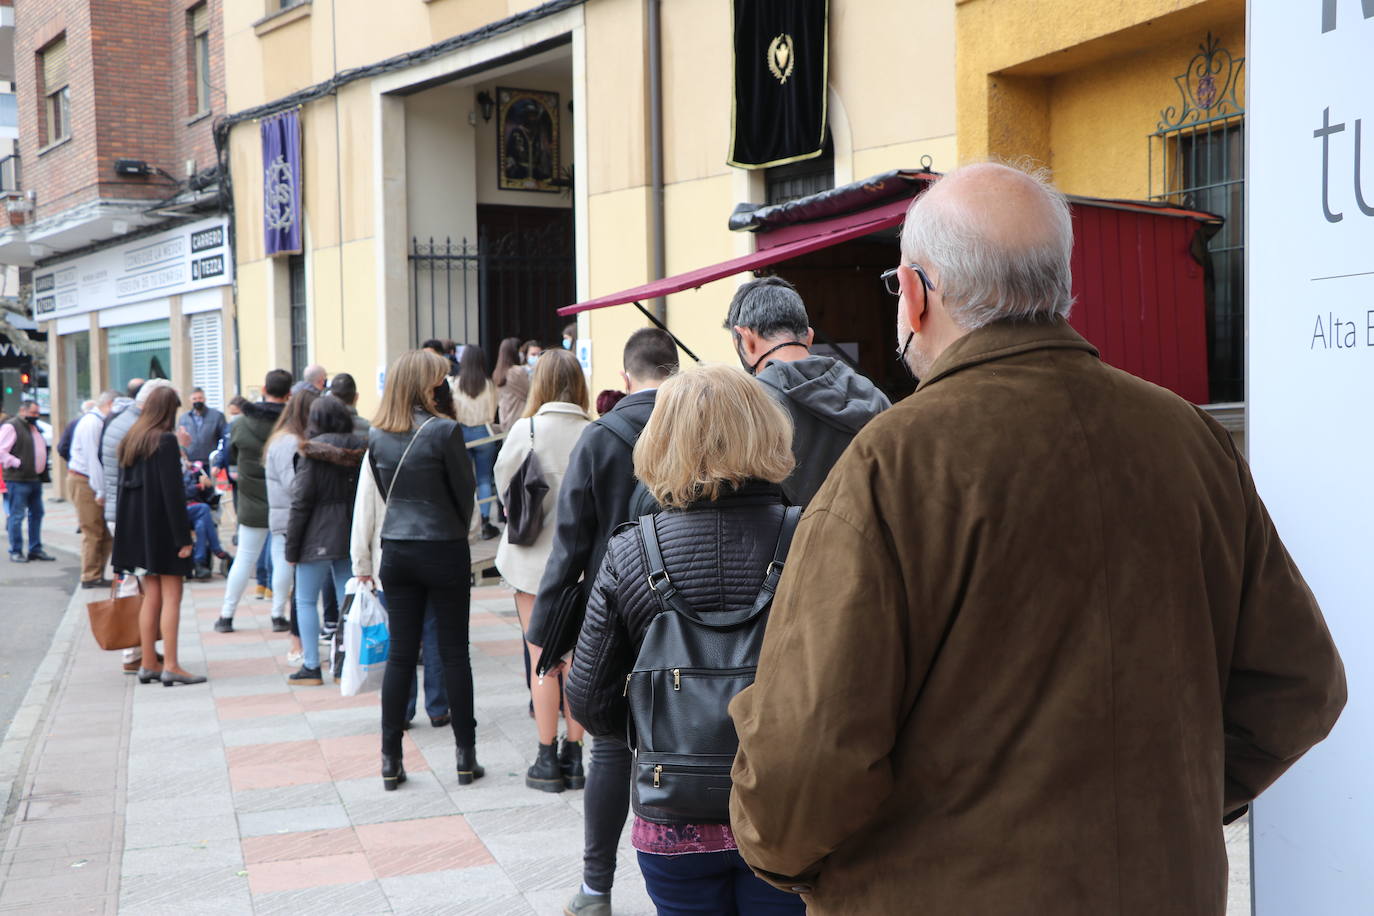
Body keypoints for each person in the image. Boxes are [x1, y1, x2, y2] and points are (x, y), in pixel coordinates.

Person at [728, 162, 1348, 914]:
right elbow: (1300, 683)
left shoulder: (893, 465)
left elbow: (805, 760)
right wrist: (1172, 800)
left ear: (917, 295)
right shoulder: (1190, 439)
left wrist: (786, 858)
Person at [567, 364, 803, 916]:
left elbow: (589, 704)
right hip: (785, 809)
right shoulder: (811, 536)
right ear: (766, 430)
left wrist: (658, 724)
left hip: (673, 821)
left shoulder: (630, 552)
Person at [528, 327, 679, 916]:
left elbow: (570, 541)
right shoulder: (699, 423)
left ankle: (596, 889)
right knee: (693, 738)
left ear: (625, 376)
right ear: (673, 368)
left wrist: (549, 629)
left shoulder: (603, 436)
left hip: (613, 609)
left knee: (611, 747)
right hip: (688, 608)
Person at [359, 349, 481, 790]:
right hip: (442, 546)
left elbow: (384, 488)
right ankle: (465, 757)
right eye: (437, 377)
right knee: (453, 653)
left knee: (400, 656)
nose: (441, 383)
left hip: (397, 549)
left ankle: (390, 759)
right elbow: (465, 495)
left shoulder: (376, 435)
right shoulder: (445, 430)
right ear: (425, 384)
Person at [493, 349, 592, 793]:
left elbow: (504, 489)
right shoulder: (595, 431)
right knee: (579, 659)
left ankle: (546, 758)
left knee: (543, 660)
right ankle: (576, 755)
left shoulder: (525, 429)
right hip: (586, 566)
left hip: (532, 563)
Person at [725, 276, 891, 506]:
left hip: (795, 542)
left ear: (745, 339)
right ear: (809, 337)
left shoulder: (747, 408)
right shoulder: (873, 395)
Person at [349, 410, 450, 731]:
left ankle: (402, 710)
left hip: (390, 553)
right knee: (435, 633)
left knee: (399, 637)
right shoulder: (441, 438)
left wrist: (361, 561)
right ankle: (438, 707)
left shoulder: (378, 444)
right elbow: (464, 495)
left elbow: (364, 506)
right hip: (436, 548)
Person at [111, 386, 206, 687]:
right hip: (162, 529)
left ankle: (149, 662)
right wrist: (183, 538)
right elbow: (172, 493)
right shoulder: (164, 441)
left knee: (150, 596)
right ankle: (173, 665)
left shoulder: (132, 439)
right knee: (172, 597)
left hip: (136, 531)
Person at [285, 396, 366, 685]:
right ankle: (344, 659)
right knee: (348, 599)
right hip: (350, 533)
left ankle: (311, 666)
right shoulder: (362, 448)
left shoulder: (311, 453)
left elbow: (301, 502)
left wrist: (291, 548)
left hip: (315, 536)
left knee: (305, 600)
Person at [216, 370, 291, 633]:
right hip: (283, 500)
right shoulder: (291, 424)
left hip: (250, 501)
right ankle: (278, 615)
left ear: (263, 388)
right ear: (289, 393)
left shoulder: (239, 424)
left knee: (244, 558)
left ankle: (226, 615)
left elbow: (229, 459)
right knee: (282, 557)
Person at [101, 378, 168, 673]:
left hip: (121, 512)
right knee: (137, 584)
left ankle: (141, 650)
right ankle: (133, 651)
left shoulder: (123, 422)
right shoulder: (135, 427)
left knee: (135, 582)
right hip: (129, 515)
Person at [265, 389, 318, 642]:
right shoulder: (289, 443)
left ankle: (294, 631)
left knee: (295, 580)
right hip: (291, 518)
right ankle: (295, 637)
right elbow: (295, 484)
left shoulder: (285, 439)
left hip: (287, 515)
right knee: (298, 584)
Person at [67, 390, 118, 586]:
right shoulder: (93, 423)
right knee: (93, 530)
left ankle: (97, 573)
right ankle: (90, 575)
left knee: (103, 531)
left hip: (89, 480)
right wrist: (101, 490)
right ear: (110, 404)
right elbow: (94, 460)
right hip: (85, 481)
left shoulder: (97, 422)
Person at [451, 345, 500, 541]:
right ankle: (486, 521)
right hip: (484, 432)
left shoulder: (456, 382)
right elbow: (492, 410)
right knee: (484, 479)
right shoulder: (488, 384)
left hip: (462, 433)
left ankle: (468, 519)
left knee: (465, 480)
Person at [0, 400, 53, 563]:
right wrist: (17, 463)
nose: (36, 416)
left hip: (34, 479)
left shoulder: (33, 427)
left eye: (37, 413)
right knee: (17, 516)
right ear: (23, 411)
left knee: (37, 513)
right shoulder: (12, 426)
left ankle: (35, 549)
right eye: (33, 413)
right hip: (18, 479)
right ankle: (16, 550)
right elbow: (1, 450)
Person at [177, 388, 228, 468]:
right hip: (191, 464)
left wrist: (218, 462)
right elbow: (180, 440)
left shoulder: (217, 416)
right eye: (194, 399)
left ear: (204, 399)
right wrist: (185, 459)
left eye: (200, 398)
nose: (198, 401)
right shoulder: (183, 418)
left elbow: (224, 440)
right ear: (190, 400)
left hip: (210, 463)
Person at [492, 336, 530, 433]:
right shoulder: (517, 372)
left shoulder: (498, 372)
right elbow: (530, 392)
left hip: (505, 419)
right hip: (519, 419)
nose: (522, 355)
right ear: (515, 352)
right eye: (520, 351)